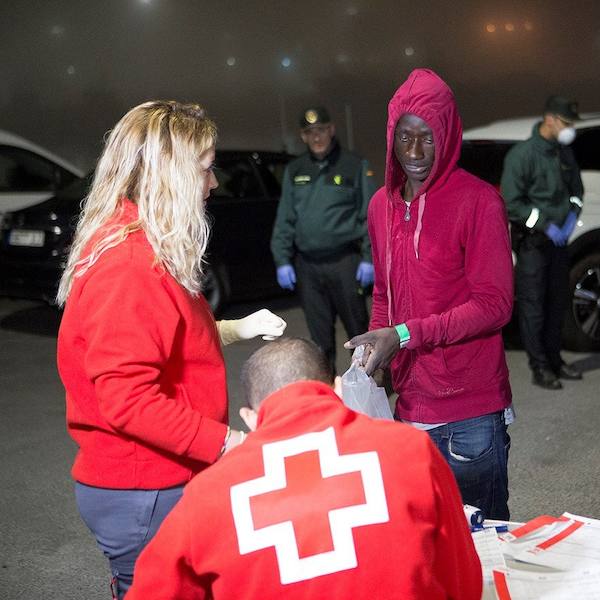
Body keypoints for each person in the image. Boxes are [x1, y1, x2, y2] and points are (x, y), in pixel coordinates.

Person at [56, 100, 286, 598]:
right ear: (171, 174)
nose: (214, 183)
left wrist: (234, 329)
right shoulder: (131, 265)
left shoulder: (141, 244)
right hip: (145, 488)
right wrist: (231, 445)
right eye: (205, 169)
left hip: (153, 482)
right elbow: (128, 400)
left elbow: (166, 343)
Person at [128, 338, 482, 599]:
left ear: (250, 418)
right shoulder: (408, 451)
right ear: (338, 389)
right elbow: (461, 577)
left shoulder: (210, 494)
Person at [344, 69, 514, 520]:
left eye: (427, 137)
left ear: (447, 134)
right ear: (391, 138)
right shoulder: (382, 204)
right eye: (404, 138)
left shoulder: (479, 202)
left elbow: (494, 305)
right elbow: (384, 290)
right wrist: (377, 351)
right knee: (425, 541)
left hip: (470, 409)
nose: (415, 153)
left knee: (481, 543)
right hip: (409, 405)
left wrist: (402, 335)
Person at [271, 105, 375, 371]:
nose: (316, 137)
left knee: (358, 332)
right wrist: (282, 259)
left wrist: (368, 257)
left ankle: (371, 386)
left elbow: (369, 216)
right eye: (309, 133)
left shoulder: (353, 165)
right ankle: (328, 393)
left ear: (331, 130)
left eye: (321, 130)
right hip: (309, 267)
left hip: (345, 263)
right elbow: (285, 217)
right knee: (320, 340)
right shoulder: (295, 170)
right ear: (303, 137)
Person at [500, 95, 584, 390]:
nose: (571, 128)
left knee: (557, 303)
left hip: (559, 244)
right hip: (534, 244)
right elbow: (512, 203)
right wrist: (545, 225)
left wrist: (573, 215)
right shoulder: (522, 156)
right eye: (567, 122)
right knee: (534, 307)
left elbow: (576, 191)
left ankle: (555, 359)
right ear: (550, 119)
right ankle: (540, 367)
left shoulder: (564, 153)